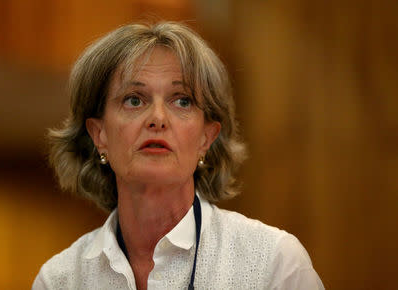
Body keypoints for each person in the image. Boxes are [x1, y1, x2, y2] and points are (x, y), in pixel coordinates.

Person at [33, 22, 324, 289]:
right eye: (134, 100)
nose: (158, 118)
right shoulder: (60, 279)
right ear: (100, 135)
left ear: (206, 138)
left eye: (181, 101)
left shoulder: (273, 262)